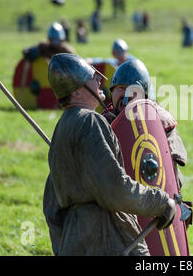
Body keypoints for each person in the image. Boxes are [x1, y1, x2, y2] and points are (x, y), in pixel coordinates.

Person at [43, 53, 176, 256]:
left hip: (75, 239)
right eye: (91, 77)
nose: (100, 79)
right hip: (106, 237)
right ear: (77, 92)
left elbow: (51, 203)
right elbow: (114, 188)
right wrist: (159, 202)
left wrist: (64, 244)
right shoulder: (90, 122)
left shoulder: (62, 126)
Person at [104, 58, 188, 192]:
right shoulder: (101, 122)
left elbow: (172, 175)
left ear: (144, 96)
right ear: (112, 92)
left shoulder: (160, 121)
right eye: (121, 88)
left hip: (156, 198)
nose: (127, 94)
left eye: (133, 90)